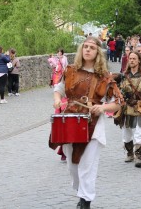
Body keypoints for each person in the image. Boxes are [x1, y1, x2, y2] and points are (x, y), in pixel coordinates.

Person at [52, 36, 122, 208]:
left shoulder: (104, 77)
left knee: (87, 166)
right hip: (70, 121)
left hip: (93, 124)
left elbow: (118, 102)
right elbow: (58, 89)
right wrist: (56, 99)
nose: (88, 50)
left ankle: (86, 201)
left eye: (92, 47)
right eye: (85, 47)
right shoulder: (70, 71)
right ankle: (82, 193)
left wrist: (103, 108)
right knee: (72, 166)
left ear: (97, 52)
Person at [117, 51, 141, 168]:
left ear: (139, 60)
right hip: (126, 107)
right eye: (130, 58)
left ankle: (138, 156)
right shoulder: (124, 76)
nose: (132, 60)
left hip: (140, 107)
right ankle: (130, 153)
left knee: (140, 132)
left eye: (134, 58)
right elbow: (118, 92)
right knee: (126, 132)